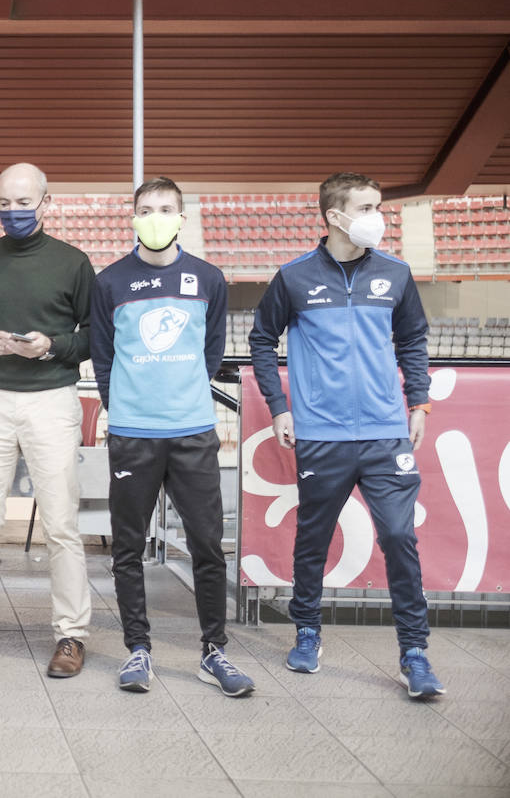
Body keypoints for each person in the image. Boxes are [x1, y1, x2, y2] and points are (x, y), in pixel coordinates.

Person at [249, 171, 444, 699]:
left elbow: (414, 340)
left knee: (400, 538)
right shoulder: (293, 277)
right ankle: (308, 631)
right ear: (335, 216)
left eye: (378, 206)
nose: (377, 217)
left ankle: (414, 652)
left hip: (385, 435)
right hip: (322, 436)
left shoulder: (396, 273)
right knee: (313, 539)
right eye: (366, 207)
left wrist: (418, 400)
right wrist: (279, 407)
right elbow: (262, 340)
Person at [90, 176, 254, 697]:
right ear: (133, 217)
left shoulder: (208, 278)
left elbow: (210, 352)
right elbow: (103, 358)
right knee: (129, 548)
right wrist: (129, 408)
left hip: (192, 432)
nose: (155, 215)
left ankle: (214, 651)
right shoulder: (110, 282)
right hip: (134, 434)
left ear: (181, 217)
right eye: (146, 208)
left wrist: (181, 397)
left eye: (165, 208)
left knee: (207, 545)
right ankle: (138, 648)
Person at [0, 162, 94, 677]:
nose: (12, 212)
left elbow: (94, 336)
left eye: (23, 203)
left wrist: (53, 346)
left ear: (46, 203)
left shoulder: (74, 263)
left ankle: (71, 633)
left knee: (61, 526)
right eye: (4, 203)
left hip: (51, 400)